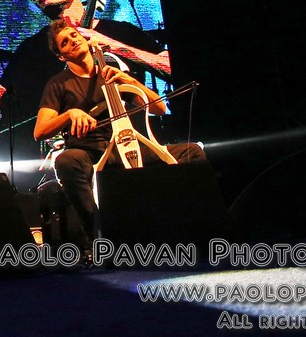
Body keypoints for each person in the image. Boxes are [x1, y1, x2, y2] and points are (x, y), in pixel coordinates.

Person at [0, 0, 171, 186]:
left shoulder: (121, 31)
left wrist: (113, 46)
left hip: (136, 135)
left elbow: (169, 67)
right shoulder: (31, 47)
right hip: (81, 146)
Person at [33, 16, 204, 245]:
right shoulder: (58, 84)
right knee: (66, 161)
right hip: (90, 152)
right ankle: (98, 237)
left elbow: (159, 108)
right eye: (65, 42)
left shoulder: (111, 74)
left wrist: (130, 81)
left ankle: (194, 228)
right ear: (61, 56)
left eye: (74, 35)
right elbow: (40, 131)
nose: (73, 40)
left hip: (128, 145)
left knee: (193, 152)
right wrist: (70, 114)